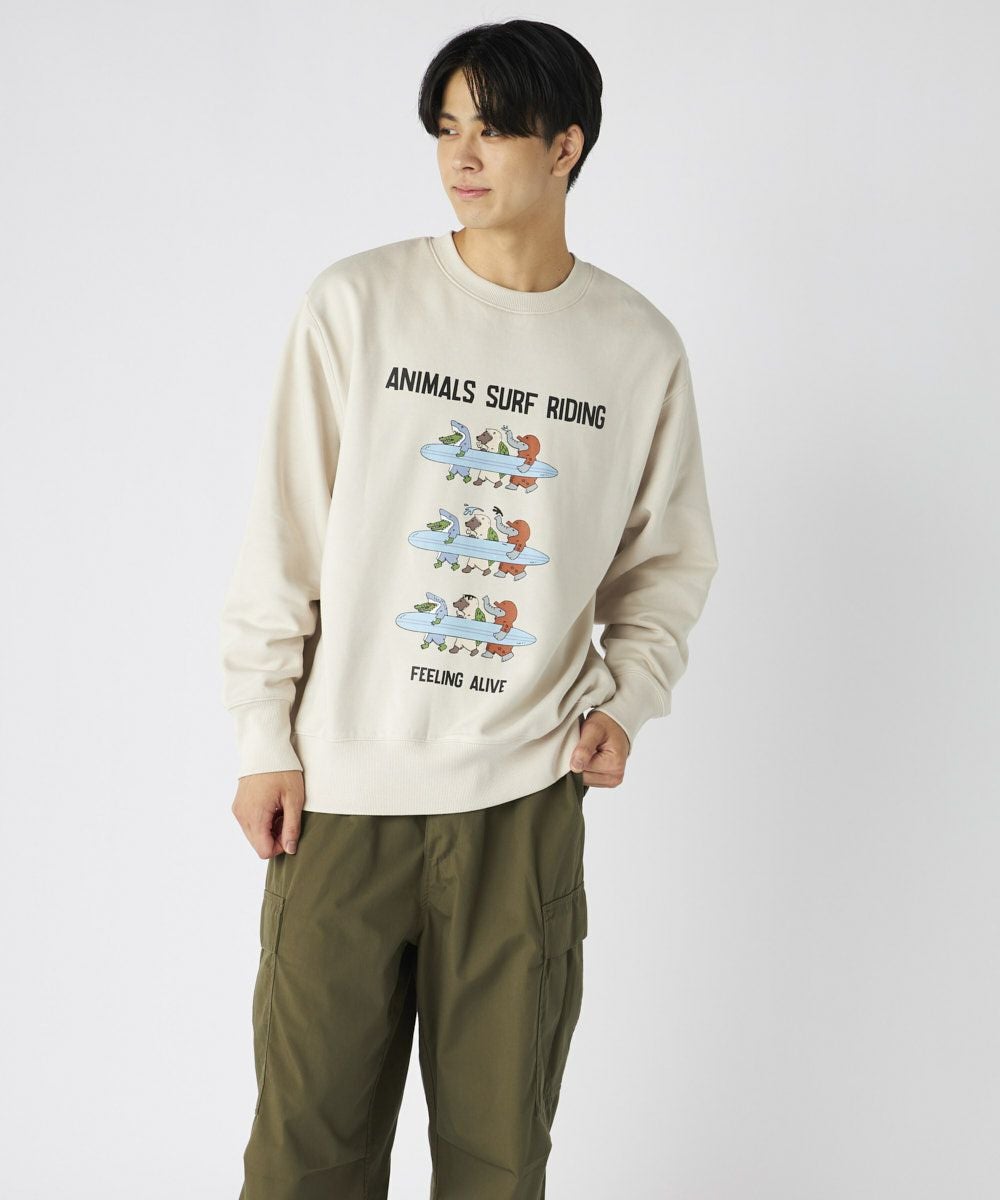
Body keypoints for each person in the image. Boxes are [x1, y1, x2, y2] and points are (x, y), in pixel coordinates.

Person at [220, 18, 719, 1199]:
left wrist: (629, 699)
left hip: (521, 800)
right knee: (305, 1158)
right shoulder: (358, 304)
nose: (461, 154)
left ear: (566, 146)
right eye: (446, 127)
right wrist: (261, 735)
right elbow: (284, 534)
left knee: (498, 1162)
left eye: (492, 129)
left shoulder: (634, 348)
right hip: (343, 791)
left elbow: (666, 563)